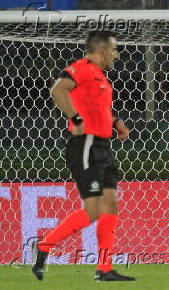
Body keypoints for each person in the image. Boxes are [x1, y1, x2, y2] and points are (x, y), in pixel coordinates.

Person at [32, 30, 135, 282]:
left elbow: (98, 110)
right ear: (101, 51)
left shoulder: (100, 77)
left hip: (103, 146)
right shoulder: (83, 69)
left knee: (111, 204)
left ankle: (104, 268)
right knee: (92, 211)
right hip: (85, 145)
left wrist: (116, 122)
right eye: (113, 49)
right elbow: (58, 90)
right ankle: (45, 245)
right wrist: (74, 117)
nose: (116, 54)